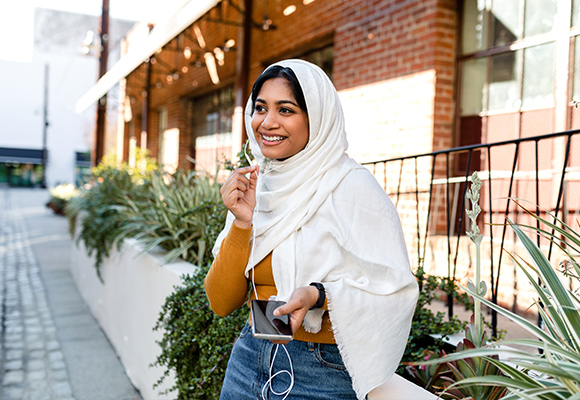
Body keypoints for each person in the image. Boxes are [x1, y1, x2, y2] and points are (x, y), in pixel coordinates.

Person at [205, 59, 418, 400]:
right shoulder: (257, 185)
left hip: (321, 372)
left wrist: (318, 294)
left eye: (285, 110)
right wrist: (243, 222)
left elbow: (393, 287)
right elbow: (221, 301)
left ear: (315, 117)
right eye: (260, 108)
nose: (267, 122)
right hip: (250, 358)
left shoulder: (351, 187)